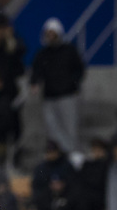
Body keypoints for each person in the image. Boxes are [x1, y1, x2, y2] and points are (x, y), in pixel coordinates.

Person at [30, 18, 85, 154]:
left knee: (70, 127)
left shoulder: (69, 51)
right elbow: (36, 72)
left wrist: (72, 84)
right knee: (52, 128)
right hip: (49, 96)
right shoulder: (42, 54)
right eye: (48, 34)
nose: (50, 37)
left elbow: (79, 69)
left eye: (53, 33)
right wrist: (34, 83)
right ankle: (58, 154)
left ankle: (73, 154)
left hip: (67, 95)